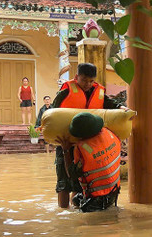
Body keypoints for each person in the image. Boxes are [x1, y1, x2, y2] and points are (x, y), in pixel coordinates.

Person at [52, 63, 127, 208]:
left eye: (91, 81)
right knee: (63, 183)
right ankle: (63, 212)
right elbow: (52, 114)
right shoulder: (65, 92)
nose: (88, 84)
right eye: (84, 80)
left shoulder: (98, 92)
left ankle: (76, 211)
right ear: (76, 77)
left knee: (80, 184)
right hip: (66, 142)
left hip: (87, 144)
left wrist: (120, 107)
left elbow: (109, 103)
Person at [59, 113, 121, 212]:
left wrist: (65, 151)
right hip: (114, 191)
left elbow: (72, 174)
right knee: (76, 200)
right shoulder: (109, 133)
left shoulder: (82, 148)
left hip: (97, 199)